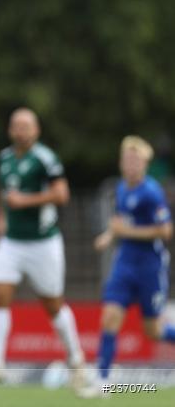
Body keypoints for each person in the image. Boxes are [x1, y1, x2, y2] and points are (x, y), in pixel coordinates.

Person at [0, 108, 88, 391]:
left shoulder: (45, 159)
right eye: (16, 126)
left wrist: (25, 201)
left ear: (36, 130)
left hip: (42, 242)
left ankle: (75, 358)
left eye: (26, 126)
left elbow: (62, 194)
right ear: (10, 130)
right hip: (12, 241)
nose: (21, 131)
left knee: (53, 305)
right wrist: (1, 218)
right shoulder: (4, 158)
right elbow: (4, 192)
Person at [79, 136, 174, 398]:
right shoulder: (121, 188)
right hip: (124, 263)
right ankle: (103, 382)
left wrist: (126, 232)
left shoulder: (152, 192)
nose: (130, 165)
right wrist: (109, 236)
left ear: (145, 164)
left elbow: (165, 231)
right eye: (127, 159)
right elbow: (121, 221)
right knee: (109, 317)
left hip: (150, 266)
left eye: (135, 160)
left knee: (153, 331)